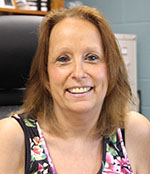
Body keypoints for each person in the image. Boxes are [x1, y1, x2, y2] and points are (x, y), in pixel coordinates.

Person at [0, 6, 150, 174]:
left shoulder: (135, 132)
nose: (79, 73)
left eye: (92, 57)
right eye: (63, 59)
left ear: (110, 70)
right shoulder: (10, 137)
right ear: (46, 75)